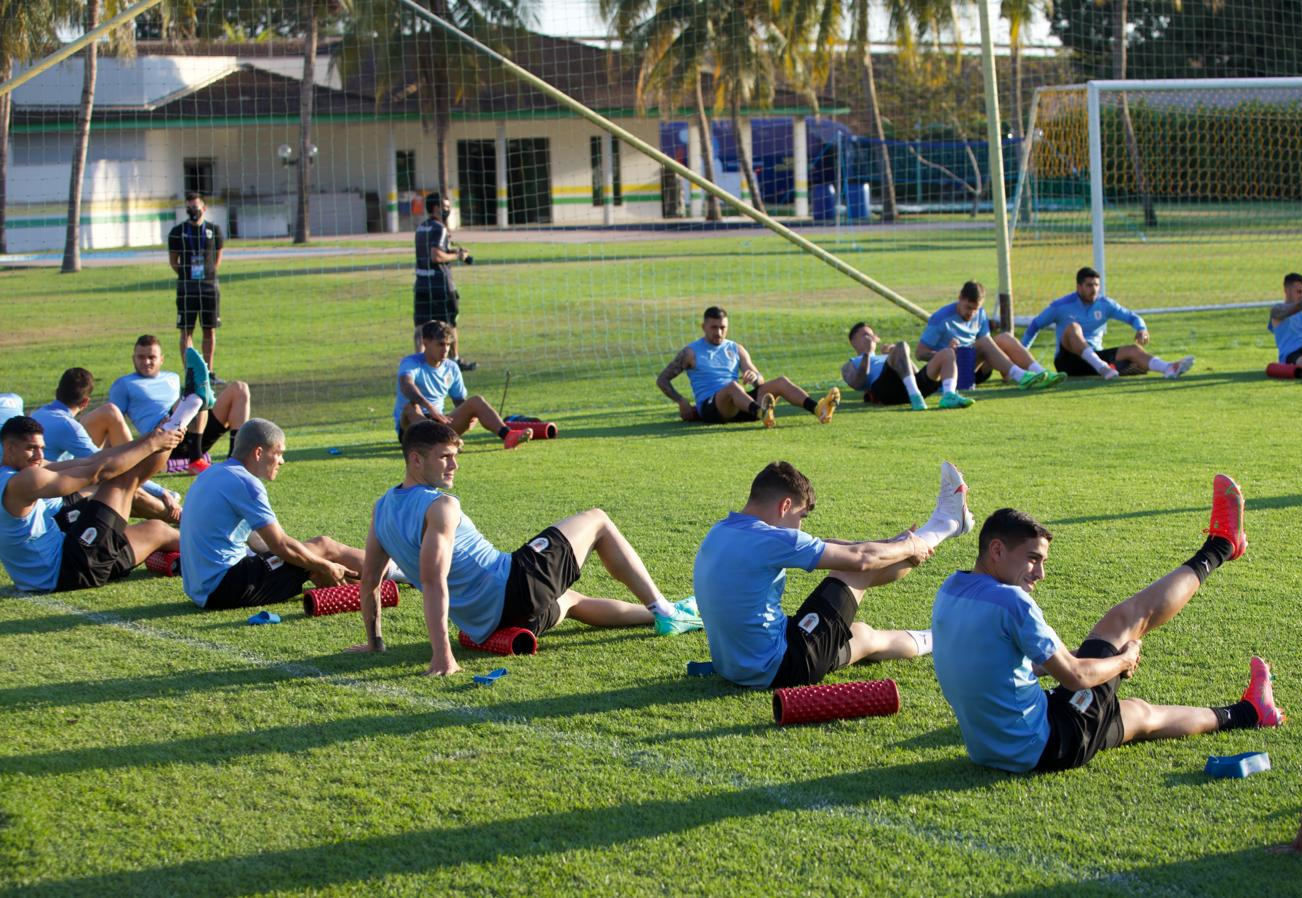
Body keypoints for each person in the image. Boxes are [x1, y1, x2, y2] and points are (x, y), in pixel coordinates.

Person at [931, 480, 1283, 775]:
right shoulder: (1011, 602)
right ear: (997, 550)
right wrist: (1122, 661)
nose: (1040, 574)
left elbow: (990, 662)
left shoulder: (950, 590)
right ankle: (1221, 546)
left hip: (993, 750)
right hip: (1049, 742)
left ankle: (1250, 712)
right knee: (1125, 621)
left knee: (1139, 714)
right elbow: (1076, 678)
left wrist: (1062, 662)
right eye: (1033, 559)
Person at [347, 420, 702, 675]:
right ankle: (666, 611)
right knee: (597, 520)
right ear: (415, 459)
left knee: (571, 601)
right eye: (444, 457)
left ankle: (667, 615)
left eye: (455, 455)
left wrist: (375, 642)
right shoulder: (440, 506)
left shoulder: (382, 510)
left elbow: (371, 583)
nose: (454, 465)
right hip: (514, 587)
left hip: (488, 625)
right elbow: (433, 582)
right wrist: (442, 656)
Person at [693, 460, 976, 689]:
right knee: (851, 569)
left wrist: (894, 544)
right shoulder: (771, 539)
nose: (800, 529)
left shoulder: (722, 530)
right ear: (785, 506)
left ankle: (942, 639)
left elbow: (834, 546)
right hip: (782, 664)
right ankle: (945, 525)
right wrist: (910, 545)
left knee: (863, 636)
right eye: (800, 518)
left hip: (738, 667)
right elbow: (861, 560)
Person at [179, 418, 371, 610]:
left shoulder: (212, 473)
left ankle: (365, 585)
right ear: (258, 452)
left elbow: (255, 539)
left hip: (202, 589)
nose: (282, 461)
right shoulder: (246, 483)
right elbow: (280, 545)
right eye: (278, 453)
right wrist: (324, 564)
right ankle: (397, 569)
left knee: (308, 558)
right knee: (324, 546)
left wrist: (307, 562)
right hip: (224, 587)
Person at [0, 406, 192, 593]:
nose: (39, 456)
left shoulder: (12, 474)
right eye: (31, 449)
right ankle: (178, 420)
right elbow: (99, 472)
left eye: (42, 448)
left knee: (157, 530)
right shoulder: (23, 481)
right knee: (120, 481)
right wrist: (153, 443)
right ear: (9, 448)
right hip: (68, 569)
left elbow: (89, 461)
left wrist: (151, 438)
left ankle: (210, 550)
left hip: (61, 561)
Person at [31, 367, 180, 523]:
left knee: (110, 411)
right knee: (121, 486)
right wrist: (161, 491)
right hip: (56, 501)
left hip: (50, 484)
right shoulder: (68, 426)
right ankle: (180, 517)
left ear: (57, 392)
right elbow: (104, 465)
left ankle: (144, 480)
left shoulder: (40, 413)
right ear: (85, 402)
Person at [657, 306, 841, 427]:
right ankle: (762, 412)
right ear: (703, 326)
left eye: (723, 327)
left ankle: (819, 409)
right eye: (714, 327)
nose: (719, 332)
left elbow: (759, 379)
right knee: (732, 386)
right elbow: (663, 379)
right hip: (713, 408)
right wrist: (681, 402)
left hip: (742, 404)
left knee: (781, 382)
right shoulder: (691, 352)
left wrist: (753, 377)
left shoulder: (735, 348)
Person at [1021, 267, 1194, 380]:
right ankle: (1107, 368)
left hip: (1097, 358)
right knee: (1073, 328)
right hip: (1068, 362)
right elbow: (1035, 326)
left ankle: (1169, 368)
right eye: (1089, 285)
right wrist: (1021, 356)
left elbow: (1132, 317)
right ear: (1078, 287)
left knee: (1133, 350)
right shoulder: (1060, 306)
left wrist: (1141, 329)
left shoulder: (1105, 304)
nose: (1094, 289)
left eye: (1096, 285)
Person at [109, 335, 249, 475]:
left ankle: (235, 460)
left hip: (193, 431)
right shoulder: (124, 384)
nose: (146, 362)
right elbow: (114, 422)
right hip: (161, 439)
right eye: (141, 357)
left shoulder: (173, 377)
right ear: (133, 358)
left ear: (161, 359)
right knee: (197, 394)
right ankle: (195, 460)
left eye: (152, 357)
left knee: (239, 389)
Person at [395, 320, 529, 449]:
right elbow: (406, 385)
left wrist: (472, 416)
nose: (445, 349)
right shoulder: (411, 363)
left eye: (448, 345)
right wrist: (429, 407)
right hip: (411, 428)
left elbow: (459, 400)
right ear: (426, 342)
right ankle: (444, 441)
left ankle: (508, 436)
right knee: (411, 407)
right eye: (440, 344)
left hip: (441, 423)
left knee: (476, 401)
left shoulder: (451, 367)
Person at [917, 281, 1066, 392]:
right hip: (949, 374)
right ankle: (1020, 375)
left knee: (1004, 338)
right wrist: (946, 354)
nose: (972, 313)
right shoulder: (941, 319)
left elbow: (990, 348)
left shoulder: (980, 314)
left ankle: (1041, 373)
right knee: (984, 342)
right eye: (968, 308)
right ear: (960, 298)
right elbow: (919, 353)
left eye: (975, 309)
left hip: (974, 369)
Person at [842, 321, 971, 411]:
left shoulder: (887, 354)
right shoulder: (851, 363)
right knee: (902, 345)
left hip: (909, 386)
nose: (870, 338)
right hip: (886, 390)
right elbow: (858, 383)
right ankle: (916, 396)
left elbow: (914, 372)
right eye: (865, 335)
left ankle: (949, 396)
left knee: (947, 353)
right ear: (853, 342)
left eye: (871, 335)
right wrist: (867, 354)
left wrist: (895, 352)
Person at [413, 192, 475, 371]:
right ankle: (455, 360)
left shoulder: (421, 228)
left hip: (421, 284)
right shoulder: (440, 228)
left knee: (420, 327)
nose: (448, 210)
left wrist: (452, 250)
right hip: (440, 285)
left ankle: (419, 363)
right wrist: (457, 255)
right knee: (449, 323)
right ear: (435, 208)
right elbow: (436, 255)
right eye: (445, 207)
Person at [168, 192, 226, 385]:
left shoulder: (213, 230)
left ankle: (208, 372)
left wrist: (207, 274)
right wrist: (187, 275)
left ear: (204, 207)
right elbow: (173, 261)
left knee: (209, 330)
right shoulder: (177, 232)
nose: (193, 211)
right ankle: (190, 373)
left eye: (196, 207)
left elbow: (217, 258)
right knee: (186, 331)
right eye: (189, 208)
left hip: (209, 287)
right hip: (187, 288)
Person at [1267, 272, 1302, 365]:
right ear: (1287, 291)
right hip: (1292, 354)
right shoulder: (1277, 309)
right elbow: (1295, 308)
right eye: (1299, 292)